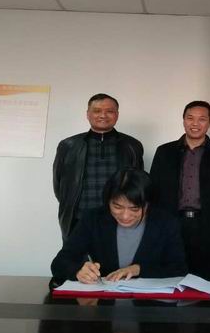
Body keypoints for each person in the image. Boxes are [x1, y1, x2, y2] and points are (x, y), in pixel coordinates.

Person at [50, 168, 187, 287]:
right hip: (106, 301)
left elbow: (179, 268)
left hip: (150, 304)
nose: (125, 216)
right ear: (108, 201)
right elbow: (59, 263)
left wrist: (138, 269)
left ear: (148, 204)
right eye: (117, 207)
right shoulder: (93, 219)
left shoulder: (166, 223)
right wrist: (77, 270)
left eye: (134, 209)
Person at [150, 101, 210, 280]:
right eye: (190, 118)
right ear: (183, 120)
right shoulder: (164, 152)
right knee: (171, 279)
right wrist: (153, 228)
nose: (195, 123)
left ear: (209, 123)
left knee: (206, 281)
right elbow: (153, 193)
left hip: (209, 227)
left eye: (202, 119)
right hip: (172, 224)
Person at [53, 93, 144, 241]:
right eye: (97, 111)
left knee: (119, 256)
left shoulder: (132, 145)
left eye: (109, 111)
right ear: (87, 114)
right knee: (77, 256)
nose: (103, 115)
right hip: (79, 219)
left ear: (117, 115)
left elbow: (138, 184)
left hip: (120, 219)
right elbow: (59, 185)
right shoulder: (69, 145)